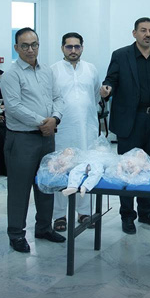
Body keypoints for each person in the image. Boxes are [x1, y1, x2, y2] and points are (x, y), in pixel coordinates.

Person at [101, 17, 150, 235]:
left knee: (149, 168)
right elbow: (111, 79)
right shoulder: (121, 55)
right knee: (127, 169)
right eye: (143, 30)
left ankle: (146, 211)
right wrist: (107, 89)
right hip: (130, 121)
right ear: (134, 33)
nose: (148, 34)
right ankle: (127, 215)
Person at [1, 27, 65, 253]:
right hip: (22, 139)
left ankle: (44, 227)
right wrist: (43, 122)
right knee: (19, 190)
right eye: (25, 45)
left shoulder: (47, 71)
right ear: (16, 47)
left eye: (34, 44)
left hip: (47, 137)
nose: (30, 49)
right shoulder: (11, 75)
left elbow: (58, 97)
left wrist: (55, 119)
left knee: (46, 184)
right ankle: (16, 234)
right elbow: (13, 107)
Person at [50, 32, 100, 231]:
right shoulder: (53, 70)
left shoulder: (91, 69)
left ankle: (84, 212)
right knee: (61, 169)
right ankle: (59, 215)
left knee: (86, 169)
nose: (73, 50)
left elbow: (95, 95)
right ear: (62, 48)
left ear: (82, 48)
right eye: (69, 46)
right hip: (62, 130)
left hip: (87, 129)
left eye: (77, 46)